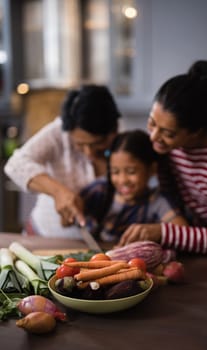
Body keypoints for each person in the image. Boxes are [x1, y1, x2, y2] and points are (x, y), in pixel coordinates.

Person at [117, 60, 207, 255]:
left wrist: (165, 232)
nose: (154, 137)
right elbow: (171, 198)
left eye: (168, 133)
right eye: (151, 123)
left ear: (196, 132)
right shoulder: (167, 149)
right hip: (197, 246)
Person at [4, 85, 121, 238]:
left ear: (114, 130)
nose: (89, 153)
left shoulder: (123, 141)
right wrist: (58, 192)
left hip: (99, 243)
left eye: (97, 144)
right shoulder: (58, 132)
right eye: (80, 144)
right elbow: (15, 165)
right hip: (44, 236)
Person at [80, 129, 188, 243]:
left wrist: (160, 231)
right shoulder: (100, 190)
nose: (122, 180)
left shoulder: (157, 202)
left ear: (152, 169)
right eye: (115, 172)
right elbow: (67, 218)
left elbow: (184, 233)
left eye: (131, 172)